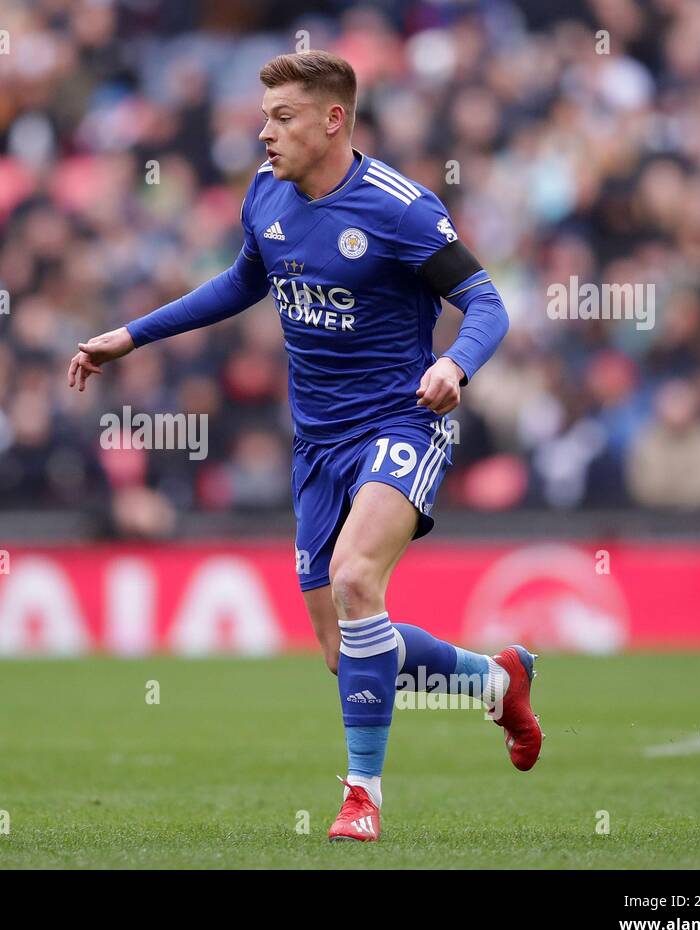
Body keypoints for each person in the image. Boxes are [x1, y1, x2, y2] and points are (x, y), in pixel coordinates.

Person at [66, 50, 540, 842]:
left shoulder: (401, 208)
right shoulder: (267, 196)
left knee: (358, 580)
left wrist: (455, 364)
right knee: (342, 648)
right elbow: (244, 281)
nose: (264, 134)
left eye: (281, 118)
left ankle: (362, 797)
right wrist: (131, 335)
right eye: (263, 118)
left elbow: (485, 299)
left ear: (332, 120)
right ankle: (495, 682)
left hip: (400, 424)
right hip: (314, 443)